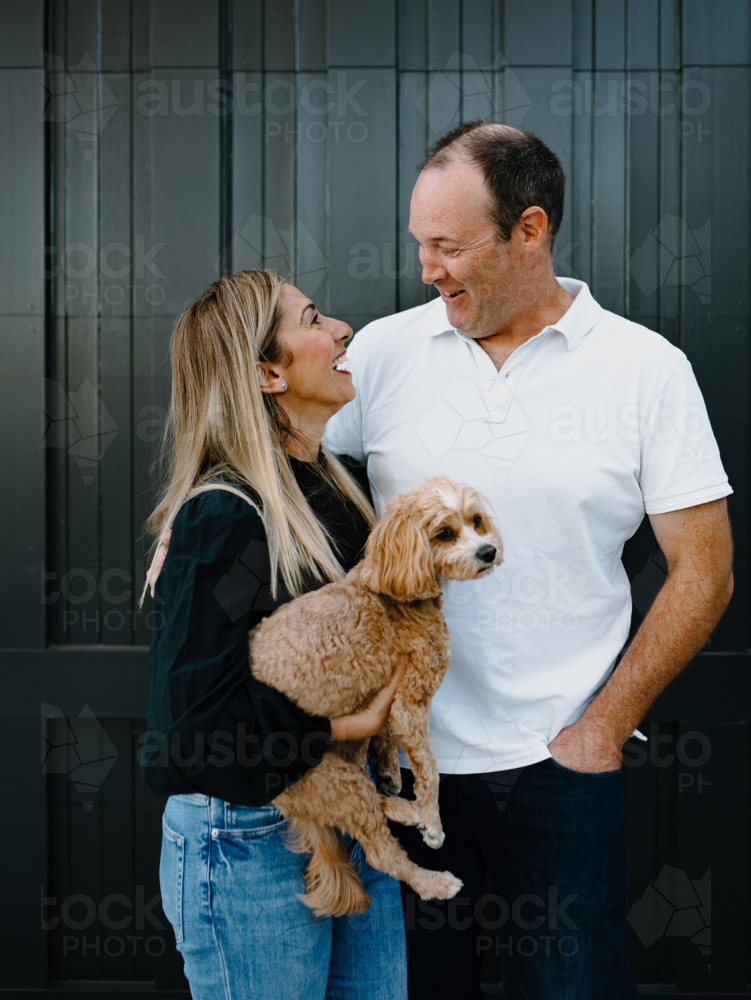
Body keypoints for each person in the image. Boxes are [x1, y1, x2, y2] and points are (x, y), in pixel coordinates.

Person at [323, 121, 734, 999]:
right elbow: (268, 445)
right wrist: (196, 506)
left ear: (530, 229)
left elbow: (703, 569)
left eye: (449, 246)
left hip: (560, 774)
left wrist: (598, 729)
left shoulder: (644, 370)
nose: (427, 269)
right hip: (402, 766)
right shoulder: (387, 353)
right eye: (418, 245)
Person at [141, 270, 408, 1000]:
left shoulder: (340, 486)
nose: (341, 330)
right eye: (314, 319)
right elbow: (191, 730)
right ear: (266, 372)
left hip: (348, 815)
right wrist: (334, 724)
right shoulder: (225, 520)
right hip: (249, 836)